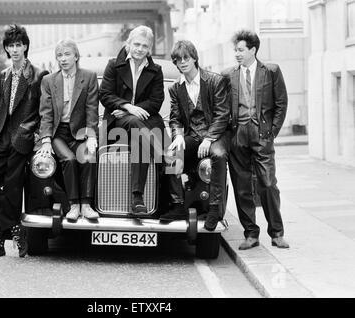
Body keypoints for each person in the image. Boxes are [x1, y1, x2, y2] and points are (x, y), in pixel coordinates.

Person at [0, 25, 49, 258]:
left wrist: (35, 136)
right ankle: (17, 229)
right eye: (11, 45)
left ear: (26, 46)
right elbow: (4, 111)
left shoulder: (38, 75)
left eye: (19, 45)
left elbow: (42, 111)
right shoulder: (4, 74)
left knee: (12, 190)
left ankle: (1, 241)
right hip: (2, 138)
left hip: (22, 139)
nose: (15, 49)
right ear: (7, 49)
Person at [222, 29, 289, 250]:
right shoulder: (228, 74)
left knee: (268, 184)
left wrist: (272, 132)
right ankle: (251, 233)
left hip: (262, 134)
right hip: (238, 134)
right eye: (235, 50)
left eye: (241, 50)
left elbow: (281, 103)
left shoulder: (270, 71)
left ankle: (277, 233)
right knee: (242, 187)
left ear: (253, 50)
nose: (237, 54)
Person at [160, 40, 230, 231]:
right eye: (178, 59)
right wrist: (178, 136)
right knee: (170, 154)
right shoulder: (175, 88)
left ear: (194, 58)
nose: (182, 62)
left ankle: (215, 208)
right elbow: (175, 118)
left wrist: (209, 138)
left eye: (186, 58)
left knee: (218, 155)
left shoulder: (215, 81)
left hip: (216, 134)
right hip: (192, 135)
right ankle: (177, 205)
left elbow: (222, 114)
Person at [99, 25, 165, 215]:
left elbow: (156, 102)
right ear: (128, 44)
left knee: (139, 138)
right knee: (137, 125)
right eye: (136, 44)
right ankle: (163, 156)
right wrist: (127, 107)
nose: (139, 49)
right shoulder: (114, 65)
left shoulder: (156, 70)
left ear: (150, 48)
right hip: (116, 123)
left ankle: (137, 198)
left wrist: (132, 111)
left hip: (143, 121)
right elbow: (105, 94)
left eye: (144, 46)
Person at [37, 39, 99, 221]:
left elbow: (92, 109)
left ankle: (86, 205)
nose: (63, 59)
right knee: (70, 160)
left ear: (76, 56)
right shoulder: (49, 80)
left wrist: (92, 135)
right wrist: (46, 139)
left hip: (80, 132)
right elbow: (46, 113)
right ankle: (73, 206)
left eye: (67, 54)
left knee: (87, 157)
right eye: (59, 55)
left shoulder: (88, 77)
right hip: (58, 133)